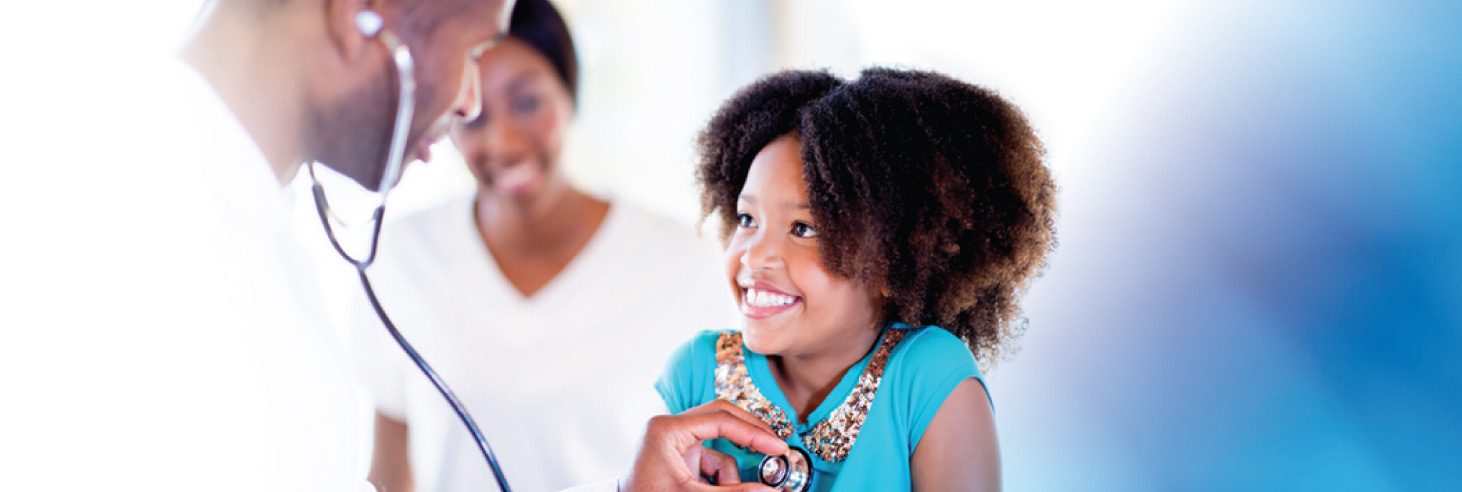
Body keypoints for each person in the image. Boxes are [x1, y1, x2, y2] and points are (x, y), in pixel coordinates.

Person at [4, 0, 786, 490]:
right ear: (363, 14)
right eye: (477, 50)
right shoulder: (98, 236)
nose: (472, 105)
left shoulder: (263, 238)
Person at [346, 1, 736, 491]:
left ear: (571, 95)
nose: (502, 140)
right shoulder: (400, 256)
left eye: (527, 102)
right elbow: (388, 473)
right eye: (474, 116)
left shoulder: (683, 262)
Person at [657, 68, 1058, 491]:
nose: (753, 255)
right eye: (747, 219)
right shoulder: (695, 373)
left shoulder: (927, 377)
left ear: (891, 261)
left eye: (803, 228)